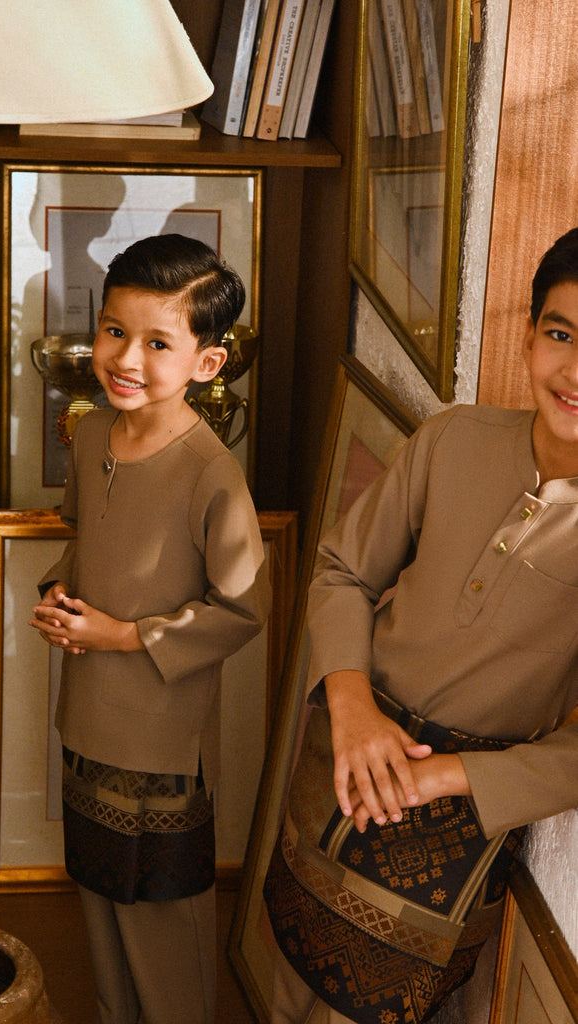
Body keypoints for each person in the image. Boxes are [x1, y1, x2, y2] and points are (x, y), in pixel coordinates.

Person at [264, 227, 578, 1024]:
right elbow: (343, 570)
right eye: (561, 334)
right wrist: (350, 706)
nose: (575, 371)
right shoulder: (453, 439)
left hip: (455, 820)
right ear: (529, 334)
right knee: (287, 977)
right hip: (342, 755)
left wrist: (447, 779)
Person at [29, 233, 271, 1024]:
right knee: (99, 904)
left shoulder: (212, 473)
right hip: (86, 721)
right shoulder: (91, 434)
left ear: (208, 362)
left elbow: (243, 611)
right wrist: (59, 595)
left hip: (161, 745)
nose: (126, 358)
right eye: (114, 331)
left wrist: (124, 637)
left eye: (158, 343)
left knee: (163, 928)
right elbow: (83, 540)